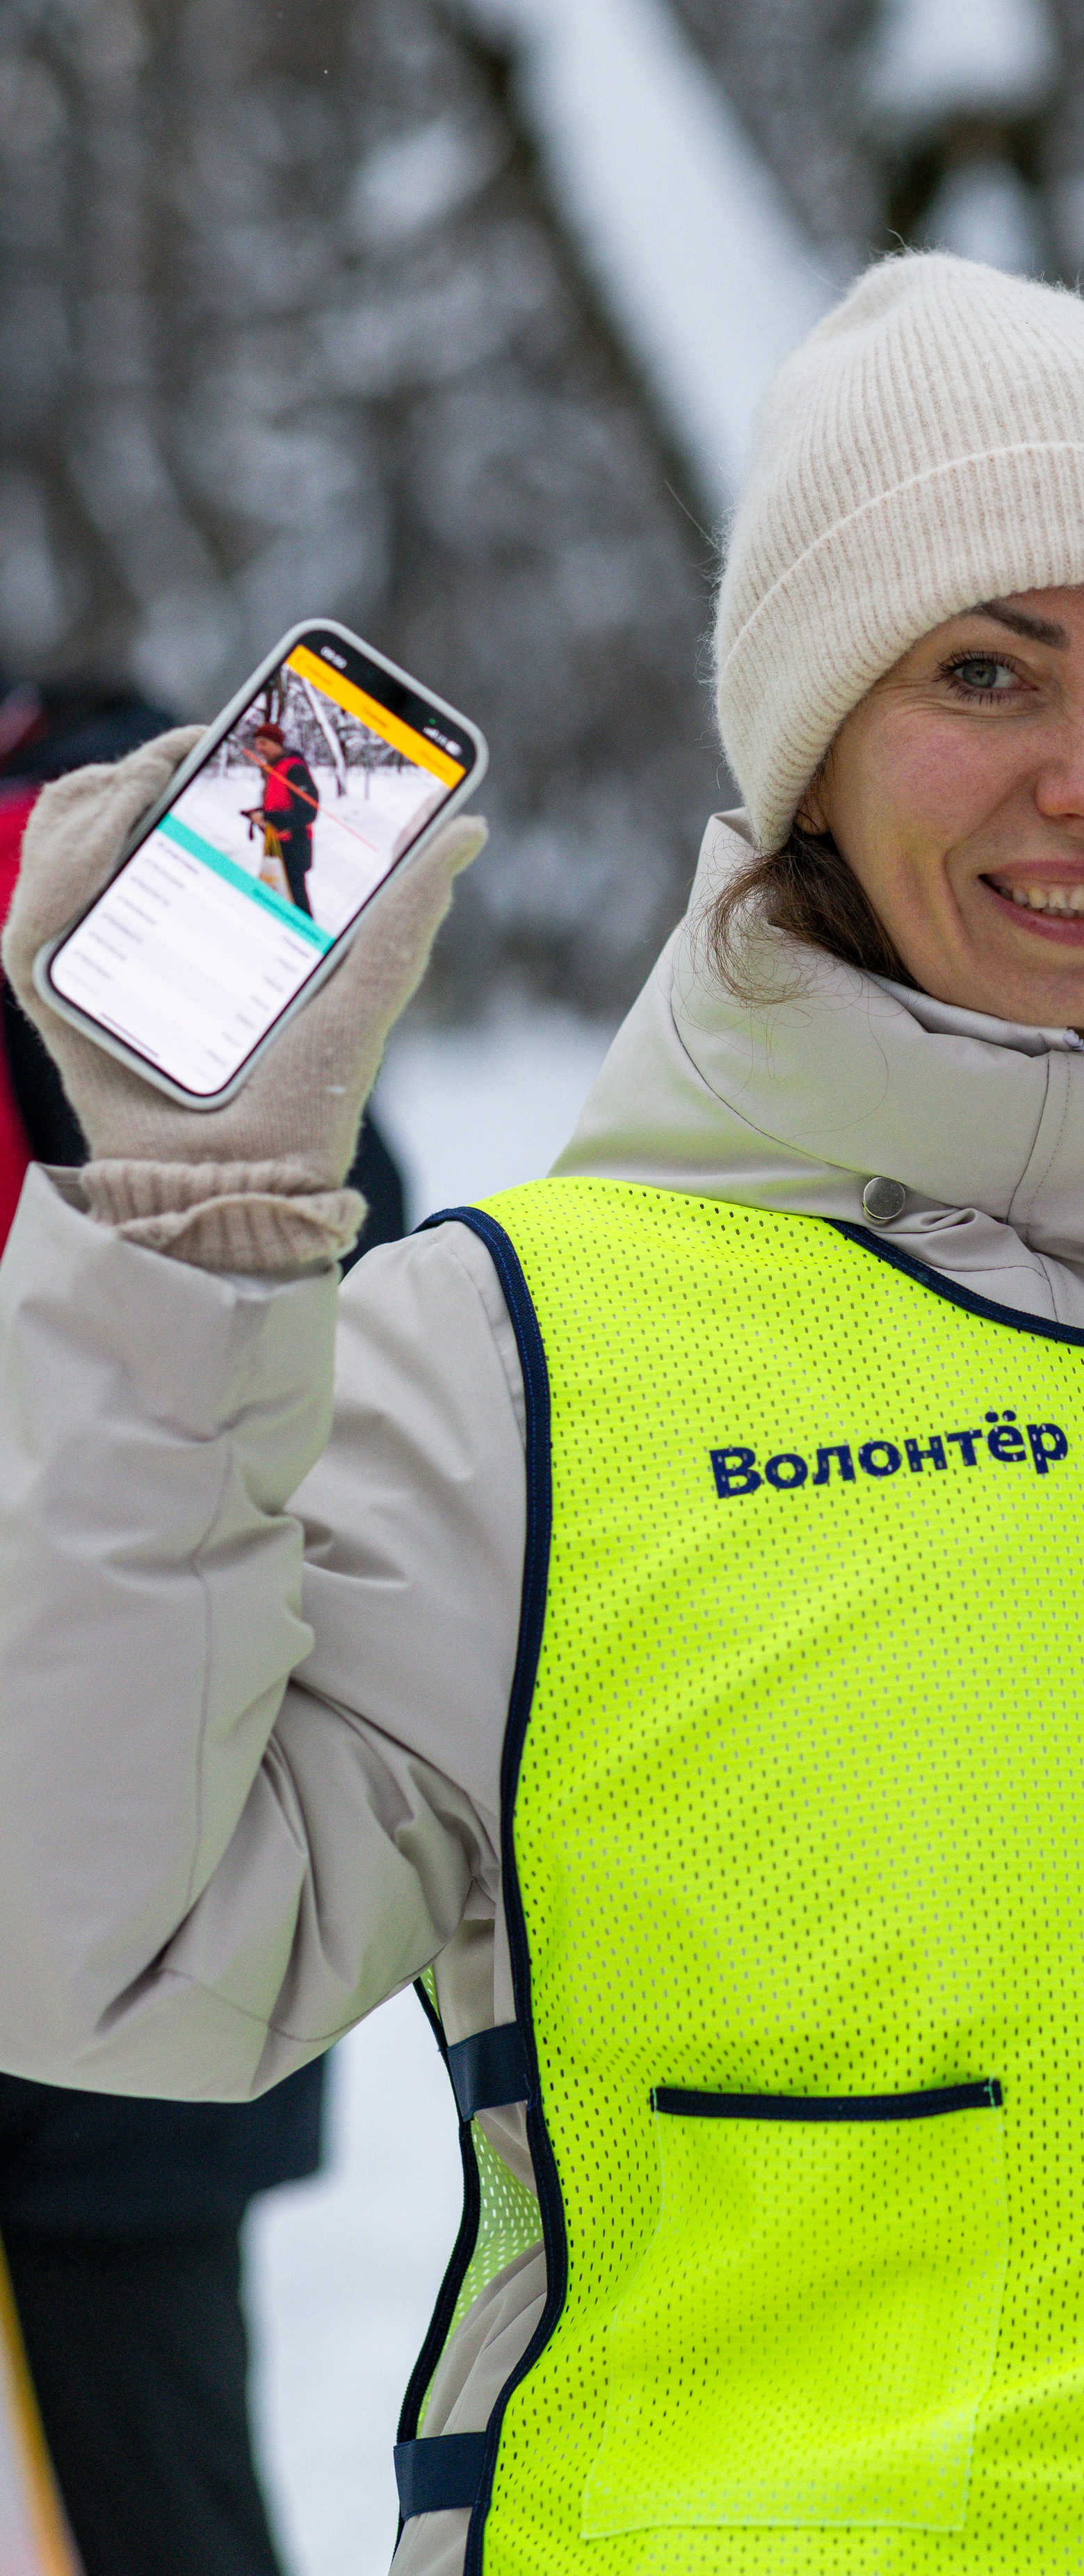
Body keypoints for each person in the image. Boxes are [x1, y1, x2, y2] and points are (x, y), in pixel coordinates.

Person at [0, 255, 1084, 2576]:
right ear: (807, 748)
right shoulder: (523, 1356)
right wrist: (186, 1239)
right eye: (982, 671)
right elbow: (107, 1955)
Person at [0, 678, 409, 2576]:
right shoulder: (153, 843)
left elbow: (334, 1251)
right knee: (155, 2481)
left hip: (116, 1805)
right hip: (134, 1836)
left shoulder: (103, 844)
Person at [241, 723, 321, 918]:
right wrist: (259, 814)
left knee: (296, 904)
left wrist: (269, 817)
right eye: (256, 744)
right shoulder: (275, 768)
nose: (259, 749)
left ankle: (307, 940)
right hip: (277, 844)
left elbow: (308, 813)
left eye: (263, 743)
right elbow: (281, 806)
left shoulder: (294, 769)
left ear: (277, 743)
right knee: (276, 902)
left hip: (294, 846)